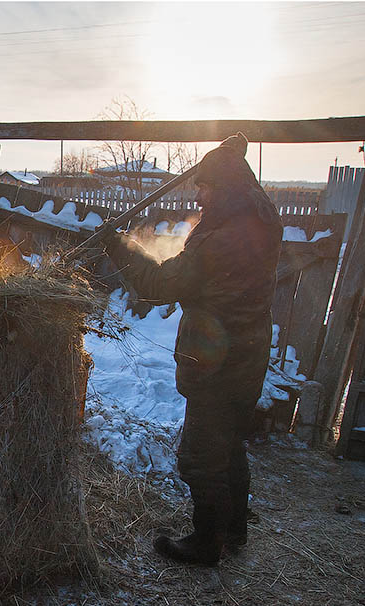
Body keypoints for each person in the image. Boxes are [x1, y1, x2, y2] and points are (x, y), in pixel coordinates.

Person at [99, 133, 282, 565]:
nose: (198, 195)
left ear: (224, 189)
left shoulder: (218, 238)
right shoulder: (262, 218)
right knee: (230, 441)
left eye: (204, 186)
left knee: (200, 456)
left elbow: (162, 284)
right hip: (249, 351)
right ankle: (232, 528)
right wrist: (232, 151)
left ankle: (206, 544)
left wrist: (118, 246)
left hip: (218, 361)